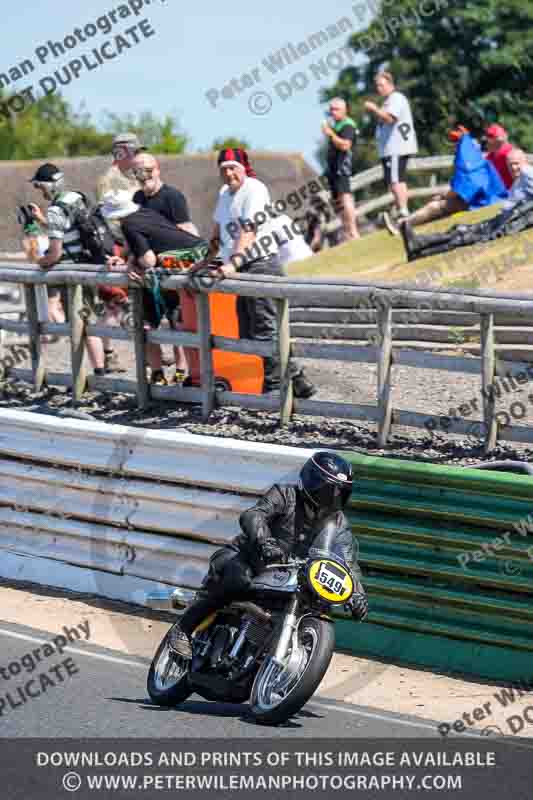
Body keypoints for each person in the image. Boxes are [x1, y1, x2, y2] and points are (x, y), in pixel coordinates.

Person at [169, 451, 369, 658]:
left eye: (340, 493)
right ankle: (182, 629)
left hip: (291, 575)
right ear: (311, 482)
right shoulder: (285, 495)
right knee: (238, 580)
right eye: (328, 491)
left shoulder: (338, 523)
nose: (333, 498)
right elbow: (254, 515)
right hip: (247, 558)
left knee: (317, 604)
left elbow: (346, 561)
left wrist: (357, 593)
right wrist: (266, 543)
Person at [193, 147, 316, 398]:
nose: (228, 173)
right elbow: (217, 233)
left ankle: (273, 387)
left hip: (260, 263)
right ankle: (296, 376)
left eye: (232, 168)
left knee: (265, 328)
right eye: (223, 169)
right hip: (240, 267)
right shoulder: (224, 193)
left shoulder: (255, 189)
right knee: (248, 330)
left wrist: (233, 263)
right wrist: (205, 261)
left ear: (243, 168)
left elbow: (249, 229)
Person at [101, 191, 208, 385]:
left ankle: (160, 374)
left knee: (149, 322)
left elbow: (148, 260)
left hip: (177, 267)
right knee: (180, 322)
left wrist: (128, 267)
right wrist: (129, 259)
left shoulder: (128, 224)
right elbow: (147, 245)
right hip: (197, 257)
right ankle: (186, 374)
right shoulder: (146, 213)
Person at [28, 163, 106, 375]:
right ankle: (101, 369)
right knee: (90, 319)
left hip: (72, 274)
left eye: (39, 185)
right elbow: (69, 230)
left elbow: (55, 253)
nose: (39, 190)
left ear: (48, 185)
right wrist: (42, 221)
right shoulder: (75, 197)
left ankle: (91, 374)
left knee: (80, 325)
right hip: (89, 265)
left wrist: (38, 262)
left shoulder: (55, 209)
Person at [132, 152, 199, 382]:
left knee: (178, 323)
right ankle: (157, 372)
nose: (143, 176)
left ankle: (182, 371)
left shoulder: (172, 197)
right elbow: (133, 239)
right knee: (147, 324)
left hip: (171, 270)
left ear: (157, 169)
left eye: (148, 170)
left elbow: (185, 234)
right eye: (138, 171)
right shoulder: (136, 200)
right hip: (147, 272)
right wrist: (132, 261)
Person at [400, 148, 533, 262]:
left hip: (506, 222)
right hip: (503, 220)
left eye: (516, 164)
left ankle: (418, 245)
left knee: (463, 234)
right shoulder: (520, 179)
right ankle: (419, 250)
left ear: (525, 162)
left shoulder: (527, 172)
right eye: (510, 165)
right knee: (462, 234)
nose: (513, 167)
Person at [386, 127, 508, 234]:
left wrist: (444, 196)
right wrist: (445, 194)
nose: (453, 147)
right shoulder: (475, 156)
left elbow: (466, 186)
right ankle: (404, 224)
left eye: (454, 143)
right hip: (481, 199)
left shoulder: (469, 160)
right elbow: (462, 184)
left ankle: (400, 224)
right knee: (438, 206)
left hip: (483, 203)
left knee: (435, 206)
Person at [364, 71, 418, 230]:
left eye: (381, 85)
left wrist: (374, 109)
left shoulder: (396, 98)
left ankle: (403, 212)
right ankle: (401, 210)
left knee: (396, 180)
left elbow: (389, 119)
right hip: (390, 148)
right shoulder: (388, 101)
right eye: (377, 86)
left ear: (391, 85)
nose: (378, 88)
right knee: (395, 180)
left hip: (397, 147)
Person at [322, 98, 360, 241]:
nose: (333, 112)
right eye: (331, 109)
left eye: (336, 109)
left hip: (342, 167)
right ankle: (347, 231)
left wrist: (330, 134)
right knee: (338, 201)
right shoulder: (337, 125)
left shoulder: (347, 125)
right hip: (333, 169)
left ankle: (353, 232)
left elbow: (345, 145)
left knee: (345, 197)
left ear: (344, 110)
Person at [485, 124, 514, 189]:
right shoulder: (490, 156)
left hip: (510, 194)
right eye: (489, 136)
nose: (489, 140)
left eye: (492, 136)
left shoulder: (511, 154)